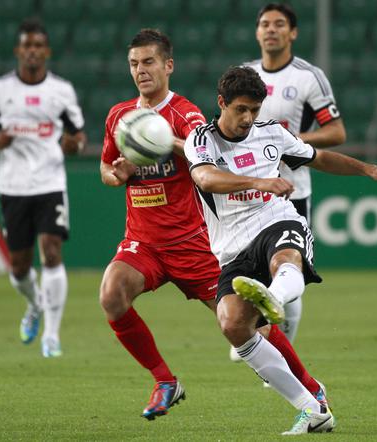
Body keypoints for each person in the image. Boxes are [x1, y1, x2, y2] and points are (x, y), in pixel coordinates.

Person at [99, 29, 328, 421]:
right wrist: (117, 173)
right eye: (134, 64)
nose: (141, 70)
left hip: (193, 241)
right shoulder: (120, 116)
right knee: (111, 296)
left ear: (168, 65)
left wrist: (158, 139)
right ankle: (164, 381)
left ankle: (310, 387)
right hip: (144, 240)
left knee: (249, 323)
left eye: (149, 62)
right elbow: (106, 167)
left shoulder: (185, 114)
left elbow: (205, 157)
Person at [184, 66, 377, 434]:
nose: (248, 118)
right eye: (240, 110)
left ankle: (275, 295)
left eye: (254, 109)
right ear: (221, 104)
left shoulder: (272, 134)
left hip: (276, 220)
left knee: (287, 258)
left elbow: (319, 157)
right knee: (233, 325)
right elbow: (205, 177)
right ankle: (312, 408)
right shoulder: (201, 139)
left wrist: (368, 169)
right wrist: (259, 179)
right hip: (233, 248)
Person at [0, 18, 86, 358]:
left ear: (46, 51)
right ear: (19, 50)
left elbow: (79, 136)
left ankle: (52, 335)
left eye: (38, 46)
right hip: (12, 185)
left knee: (51, 252)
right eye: (26, 46)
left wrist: (72, 145)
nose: (32, 51)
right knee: (19, 267)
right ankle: (34, 304)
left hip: (49, 182)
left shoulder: (61, 91)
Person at [239, 3, 346, 349]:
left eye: (279, 24)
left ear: (293, 33)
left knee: (288, 267)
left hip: (292, 190)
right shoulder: (244, 74)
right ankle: (246, 329)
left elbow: (336, 132)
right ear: (257, 32)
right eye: (265, 24)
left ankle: (280, 351)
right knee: (243, 268)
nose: (271, 29)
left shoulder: (307, 77)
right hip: (247, 190)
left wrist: (292, 143)